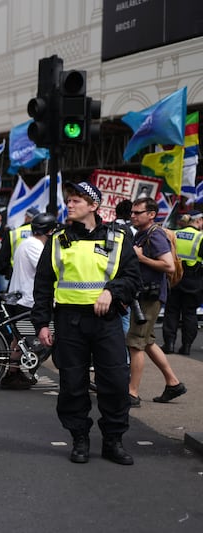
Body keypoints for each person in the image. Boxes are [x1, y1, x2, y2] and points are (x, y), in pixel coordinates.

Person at [32, 182, 141, 465]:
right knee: (72, 385)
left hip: (106, 321)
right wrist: (42, 323)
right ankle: (79, 438)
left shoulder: (118, 237)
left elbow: (132, 278)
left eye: (77, 200)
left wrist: (111, 291)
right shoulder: (58, 239)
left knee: (116, 383)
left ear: (93, 206)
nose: (70, 204)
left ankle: (113, 441)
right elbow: (43, 284)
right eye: (69, 200)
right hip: (69, 321)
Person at [126, 197, 187, 407]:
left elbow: (168, 266)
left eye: (137, 212)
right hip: (143, 295)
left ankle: (132, 393)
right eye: (132, 212)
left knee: (135, 343)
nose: (133, 215)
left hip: (150, 297)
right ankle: (173, 383)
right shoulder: (143, 234)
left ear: (151, 214)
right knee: (148, 341)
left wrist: (141, 258)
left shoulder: (155, 235)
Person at [0, 212, 57, 390]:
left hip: (22, 296)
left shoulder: (27, 243)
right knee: (41, 338)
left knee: (19, 340)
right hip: (29, 299)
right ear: (49, 232)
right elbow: (47, 271)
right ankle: (20, 370)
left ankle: (13, 373)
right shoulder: (35, 247)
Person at [162, 211, 203, 355]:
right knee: (190, 313)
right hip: (194, 280)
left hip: (174, 277)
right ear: (199, 221)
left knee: (171, 311)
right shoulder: (201, 237)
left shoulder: (175, 234)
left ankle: (169, 344)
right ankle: (186, 347)